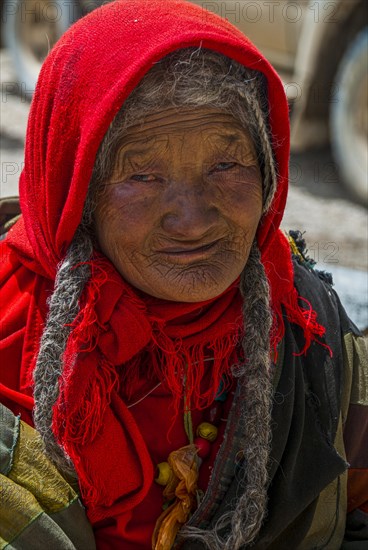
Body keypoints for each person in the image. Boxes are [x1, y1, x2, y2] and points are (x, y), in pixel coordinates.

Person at [0, 1, 367, 549]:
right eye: (143, 174)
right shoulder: (11, 328)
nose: (193, 220)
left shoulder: (309, 327)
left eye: (226, 164)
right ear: (73, 190)